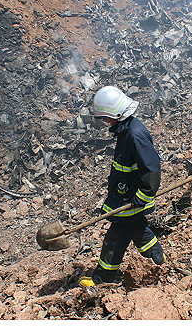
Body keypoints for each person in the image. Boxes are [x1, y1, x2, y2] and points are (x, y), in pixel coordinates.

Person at [79, 86, 165, 288]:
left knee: (114, 240)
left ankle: (102, 280)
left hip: (132, 200)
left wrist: (143, 196)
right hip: (125, 196)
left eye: (106, 119)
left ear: (116, 114)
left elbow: (151, 171)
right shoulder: (126, 131)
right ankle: (158, 260)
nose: (106, 123)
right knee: (138, 230)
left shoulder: (135, 136)